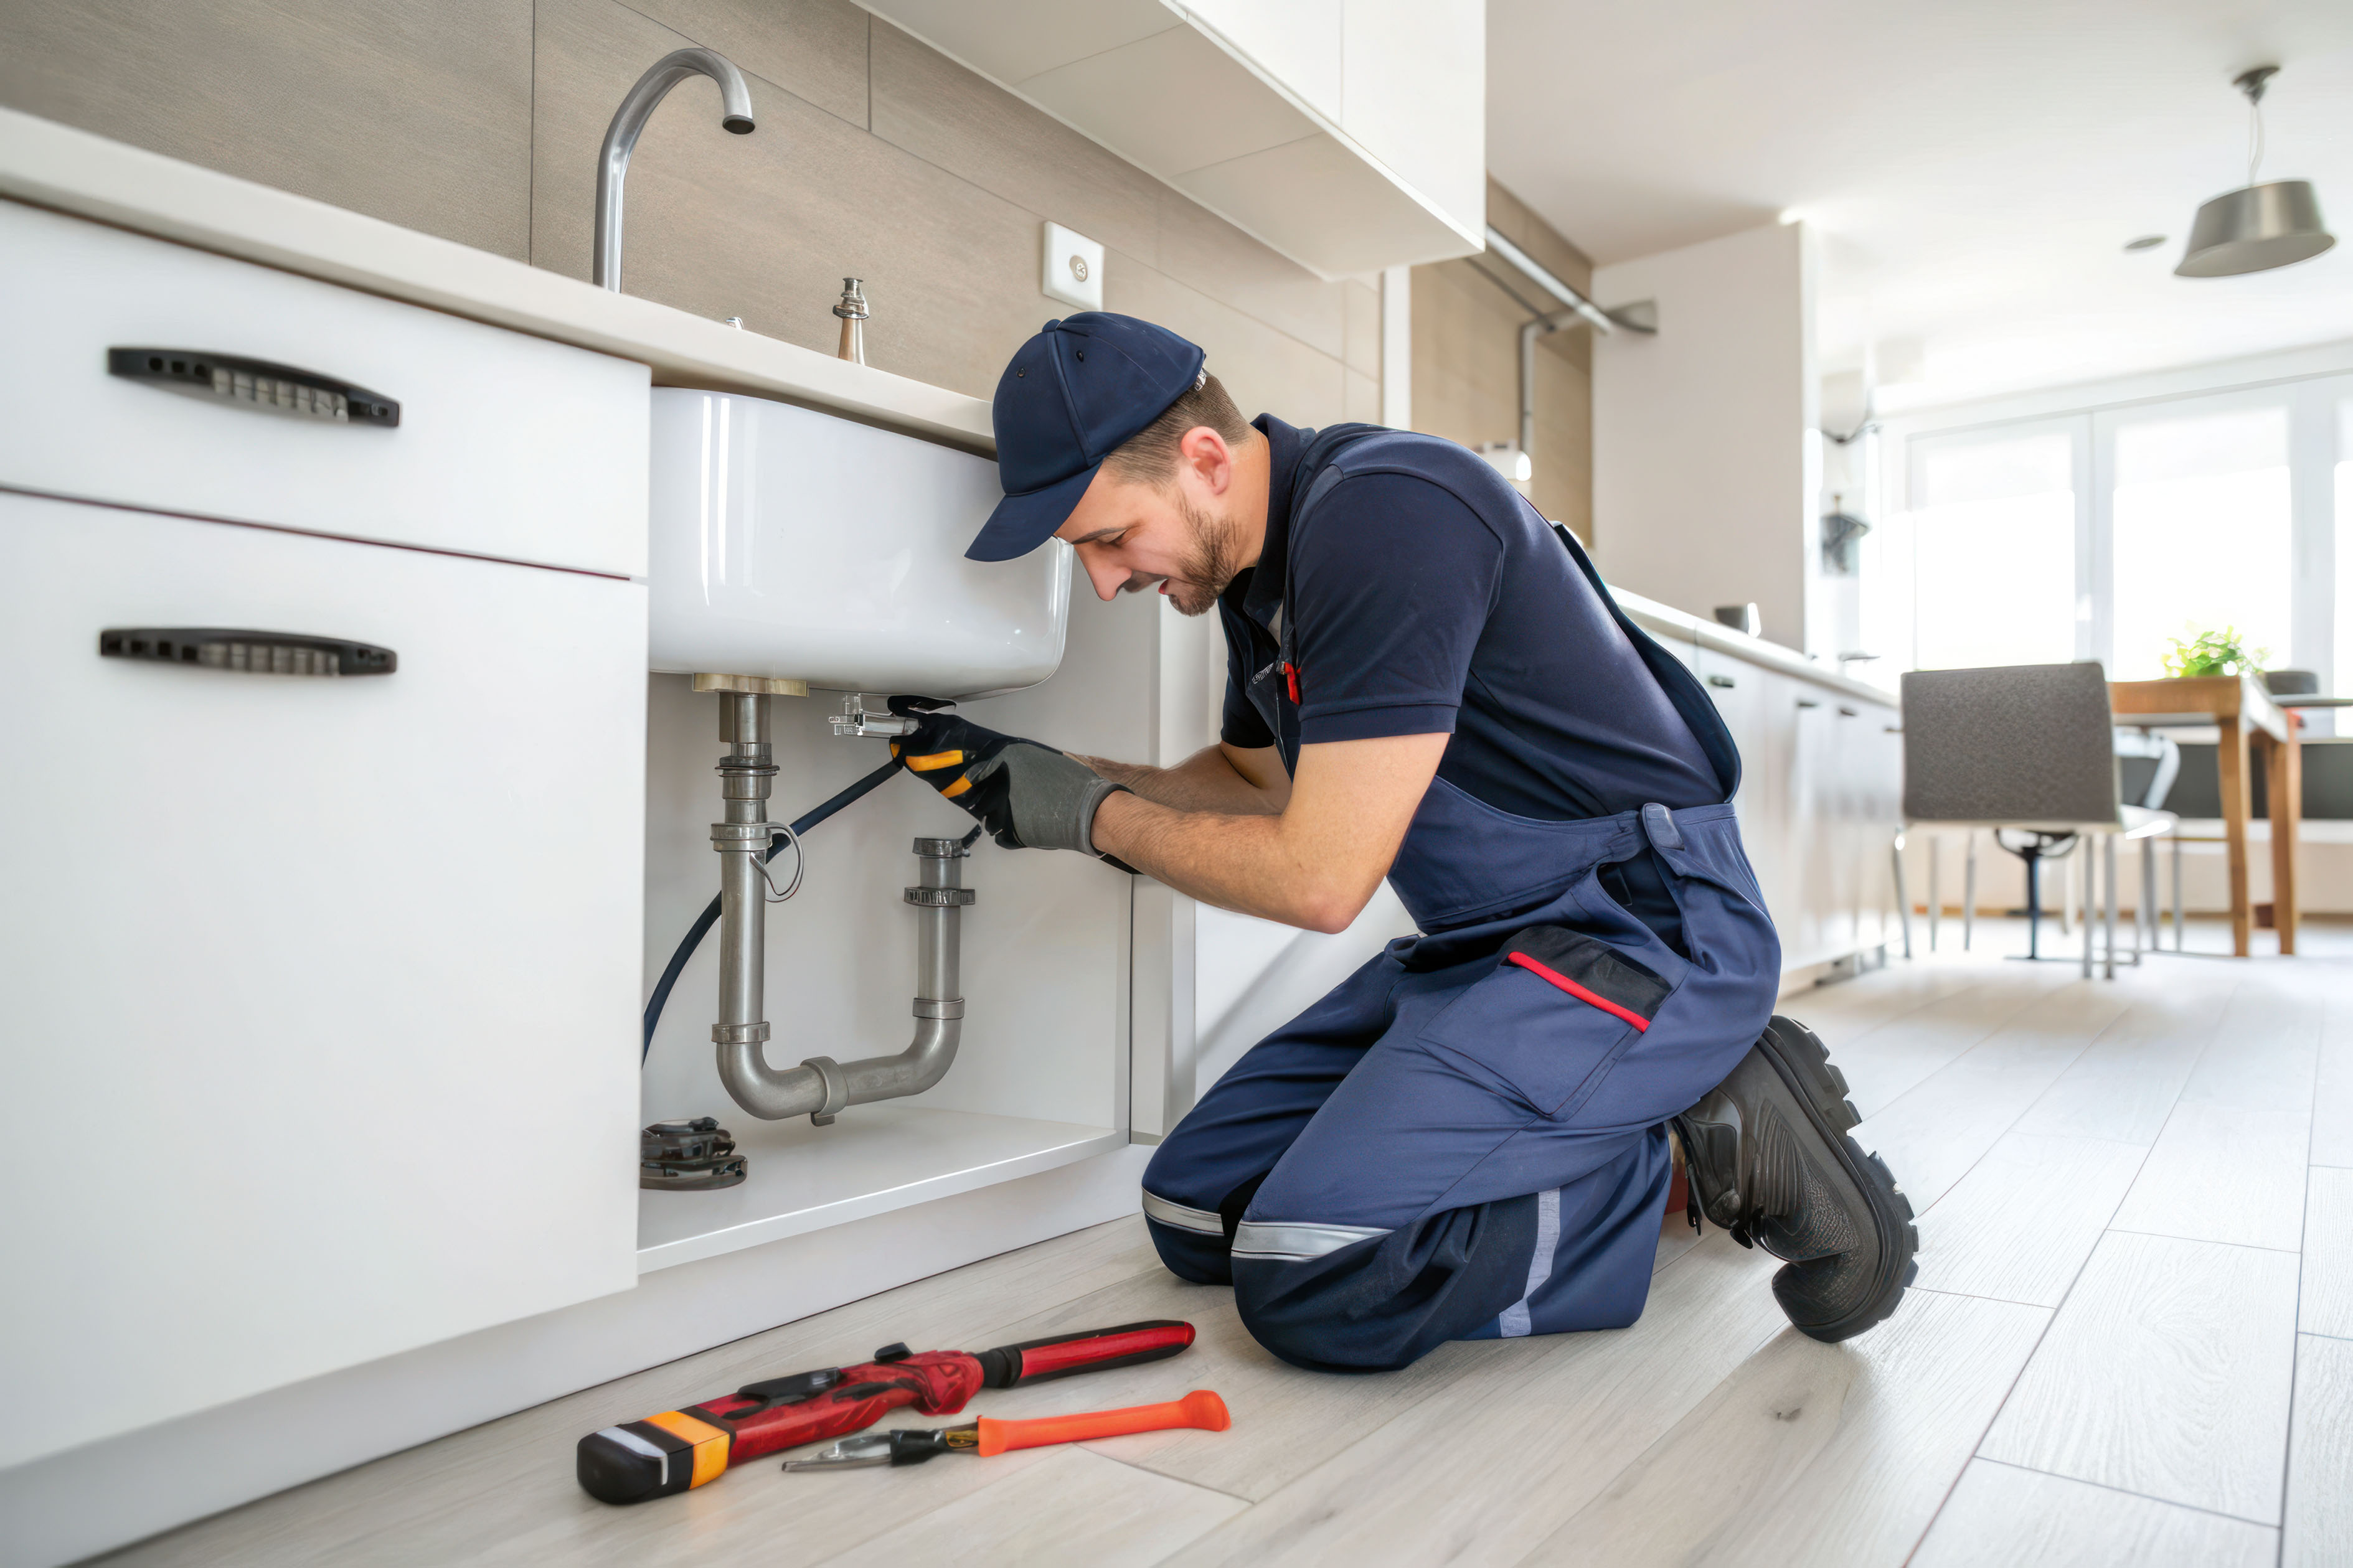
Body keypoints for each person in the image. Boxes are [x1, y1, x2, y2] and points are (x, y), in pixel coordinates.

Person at [890, 312, 1917, 1373]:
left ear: (1203, 459)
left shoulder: (1385, 517)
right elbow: (1255, 787)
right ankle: (1625, 1111)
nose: (1106, 581)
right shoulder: (1258, 586)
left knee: (1313, 1274)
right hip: (1493, 954)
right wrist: (1067, 784)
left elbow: (1323, 878)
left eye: (1110, 537)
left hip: (1647, 938)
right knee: (1197, 1215)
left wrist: (1091, 820)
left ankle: (1692, 1148)